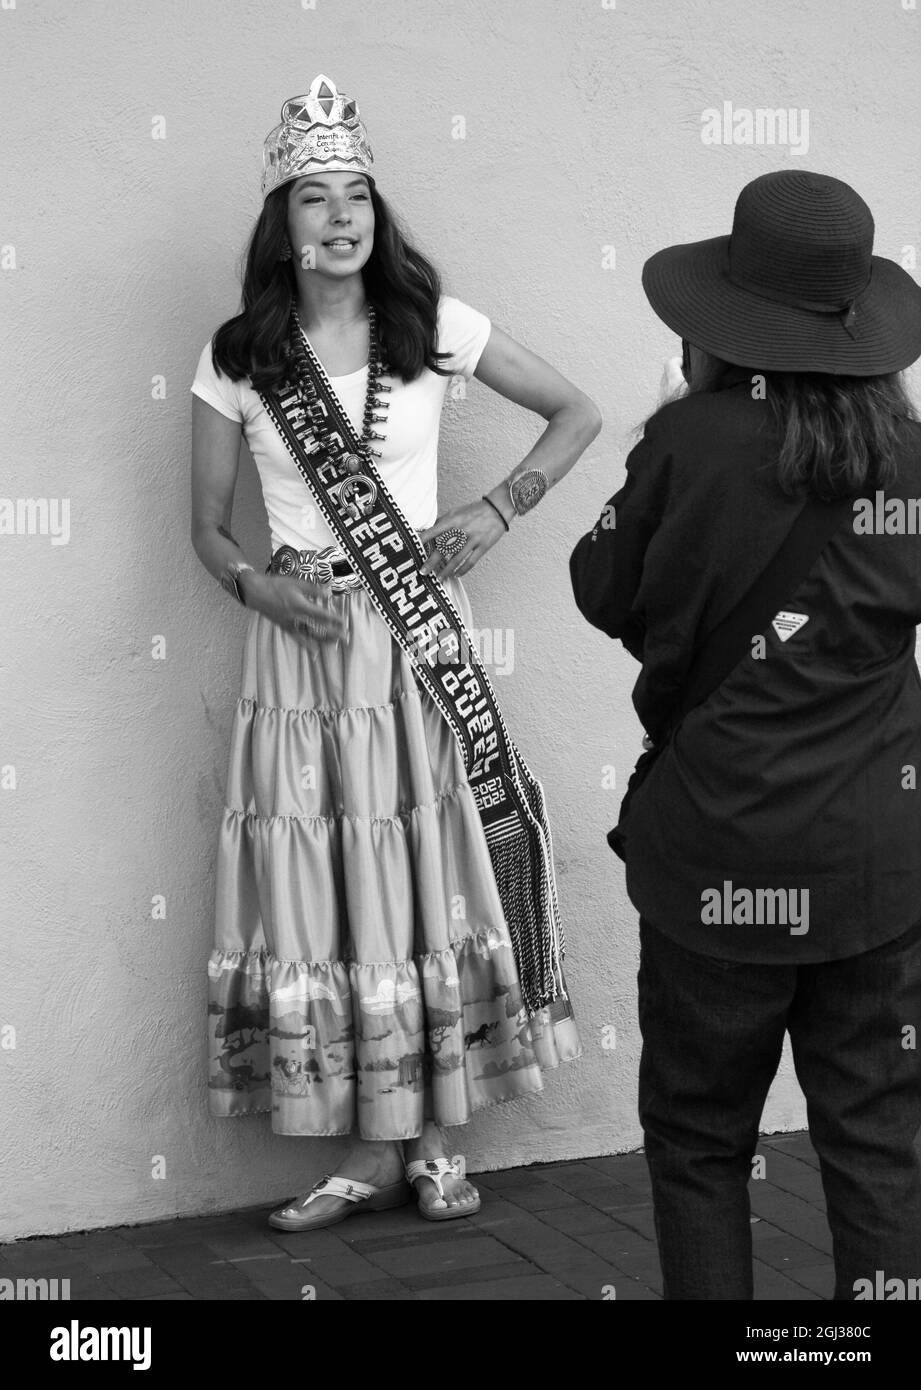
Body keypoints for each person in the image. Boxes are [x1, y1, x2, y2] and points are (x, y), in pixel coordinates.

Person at [190, 75, 599, 1231]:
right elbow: (206, 530)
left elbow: (577, 411)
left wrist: (499, 507)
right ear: (283, 222)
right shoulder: (235, 357)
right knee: (331, 883)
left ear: (378, 211)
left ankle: (434, 1141)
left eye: (356, 193)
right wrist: (258, 587)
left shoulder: (435, 329)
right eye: (313, 197)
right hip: (301, 656)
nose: (340, 217)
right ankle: (363, 1152)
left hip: (413, 647)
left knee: (425, 869)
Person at [569, 169, 921, 1299]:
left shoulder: (689, 445)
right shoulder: (909, 463)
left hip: (716, 855)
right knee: (877, 1142)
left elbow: (601, 589)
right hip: (876, 860)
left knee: (700, 1140)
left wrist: (666, 431)